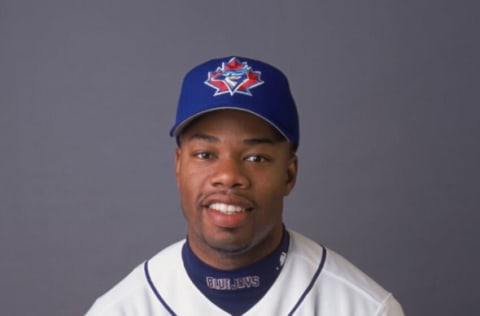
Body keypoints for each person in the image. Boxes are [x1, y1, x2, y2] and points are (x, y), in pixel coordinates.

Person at [86, 56, 405, 315]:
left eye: (256, 157)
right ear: (179, 166)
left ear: (290, 175)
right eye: (205, 154)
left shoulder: (363, 309)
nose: (228, 175)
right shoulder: (122, 309)